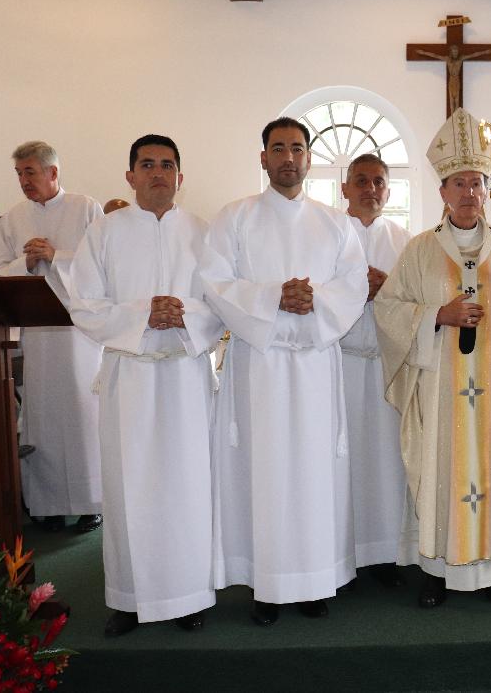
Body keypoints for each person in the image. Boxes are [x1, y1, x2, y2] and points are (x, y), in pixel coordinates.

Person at [375, 107, 491, 608]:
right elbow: (389, 308)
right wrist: (438, 314)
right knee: (441, 470)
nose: (469, 192)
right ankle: (437, 570)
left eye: (477, 182)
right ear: (443, 192)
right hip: (440, 388)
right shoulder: (419, 251)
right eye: (459, 183)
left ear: (487, 190)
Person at [202, 117, 368, 626]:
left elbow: (354, 284)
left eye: (297, 148)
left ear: (309, 158)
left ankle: (313, 581)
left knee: (312, 474)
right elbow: (215, 283)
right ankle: (267, 585)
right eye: (278, 148)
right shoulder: (235, 217)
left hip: (314, 365)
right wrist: (274, 297)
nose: (288, 158)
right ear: (263, 158)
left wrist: (313, 301)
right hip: (261, 366)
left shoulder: (335, 223)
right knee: (265, 472)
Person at [66, 134, 223, 636]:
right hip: (128, 375)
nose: (158, 172)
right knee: (128, 487)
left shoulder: (203, 233)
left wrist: (186, 313)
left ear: (181, 176)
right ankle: (129, 599)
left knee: (188, 486)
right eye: (148, 164)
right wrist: (142, 314)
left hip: (184, 373)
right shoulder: (103, 232)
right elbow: (83, 304)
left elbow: (223, 301)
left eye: (168, 165)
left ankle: (190, 596)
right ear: (130, 175)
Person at [0, 141, 103, 533]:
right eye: (19, 174)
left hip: (80, 335)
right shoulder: (13, 219)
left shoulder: (86, 208)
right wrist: (26, 262)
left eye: (30, 172)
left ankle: (91, 503)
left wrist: (57, 256)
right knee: (42, 415)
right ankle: (49, 505)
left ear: (53, 172)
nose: (24, 181)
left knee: (83, 414)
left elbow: (103, 264)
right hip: (37, 336)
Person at [340, 153, 412, 588]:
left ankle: (386, 553)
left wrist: (388, 289)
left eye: (379, 182)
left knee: (387, 461)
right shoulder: (329, 233)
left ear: (388, 189)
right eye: (362, 181)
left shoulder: (406, 241)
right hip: (341, 362)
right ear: (345, 188)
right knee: (343, 459)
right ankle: (341, 553)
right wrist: (354, 289)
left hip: (388, 363)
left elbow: (420, 299)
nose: (370, 189)